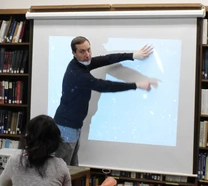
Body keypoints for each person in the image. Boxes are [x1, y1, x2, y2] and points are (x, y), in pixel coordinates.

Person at [54, 36, 154, 165]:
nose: (87, 54)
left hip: (73, 125)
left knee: (72, 168)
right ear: (74, 53)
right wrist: (136, 85)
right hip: (66, 127)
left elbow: (106, 59)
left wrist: (133, 55)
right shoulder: (78, 74)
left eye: (89, 50)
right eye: (82, 51)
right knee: (63, 170)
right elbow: (106, 86)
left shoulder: (81, 64)